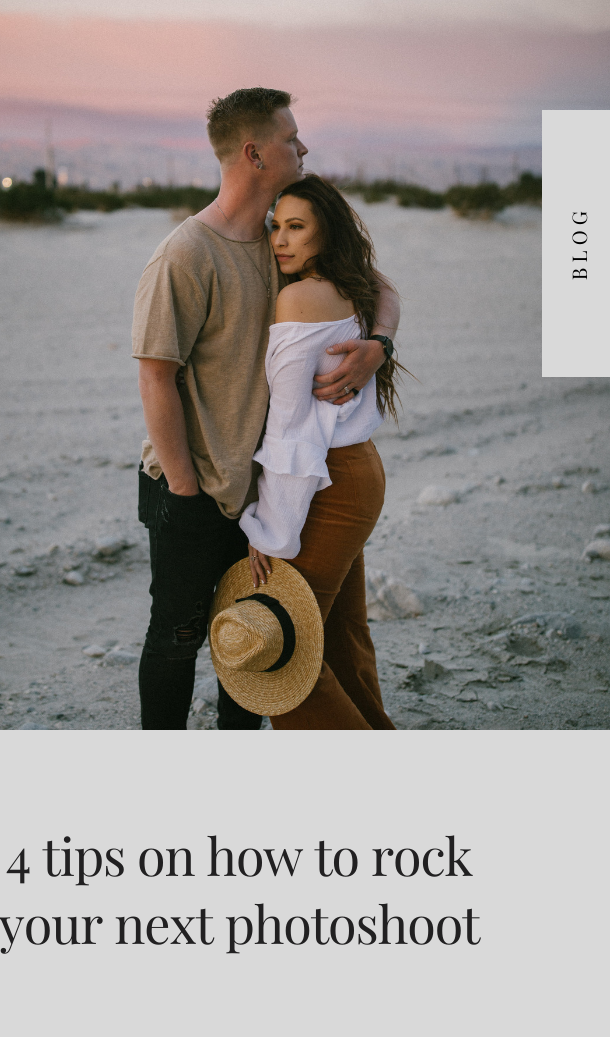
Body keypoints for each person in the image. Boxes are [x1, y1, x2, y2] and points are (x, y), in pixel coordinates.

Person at [132, 87, 400, 731]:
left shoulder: (283, 239)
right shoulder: (186, 255)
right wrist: (189, 489)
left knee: (258, 642)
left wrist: (377, 345)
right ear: (254, 152)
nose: (302, 146)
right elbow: (155, 380)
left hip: (270, 485)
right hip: (197, 487)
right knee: (181, 638)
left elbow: (378, 283)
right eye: (290, 137)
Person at [240, 174, 402, 730]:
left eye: (296, 227)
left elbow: (289, 432)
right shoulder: (349, 282)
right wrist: (381, 342)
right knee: (338, 635)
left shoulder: (298, 296)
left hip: (325, 482)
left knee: (284, 651)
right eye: (275, 227)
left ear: (324, 233)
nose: (280, 240)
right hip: (358, 472)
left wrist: (270, 532)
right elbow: (389, 290)